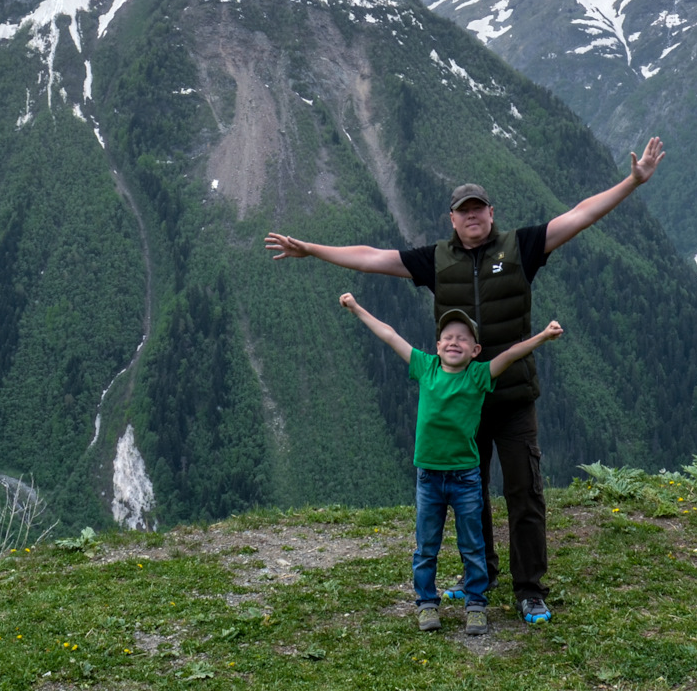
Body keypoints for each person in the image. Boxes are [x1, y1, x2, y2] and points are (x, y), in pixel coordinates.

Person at [266, 136, 664, 624]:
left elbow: (580, 214)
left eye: (479, 209)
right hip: (461, 405)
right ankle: (484, 577)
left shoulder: (521, 247)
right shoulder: (436, 260)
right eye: (463, 211)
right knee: (470, 498)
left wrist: (632, 181)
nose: (472, 216)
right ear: (452, 219)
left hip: (513, 397)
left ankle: (529, 589)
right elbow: (372, 255)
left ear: (491, 214)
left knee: (524, 493)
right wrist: (311, 249)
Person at [338, 290, 563, 635]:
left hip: (466, 477)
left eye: (463, 338)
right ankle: (426, 603)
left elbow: (511, 354)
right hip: (429, 478)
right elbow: (389, 334)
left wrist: (543, 337)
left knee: (473, 544)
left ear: (475, 351)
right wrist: (356, 309)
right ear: (437, 345)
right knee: (426, 545)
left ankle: (476, 603)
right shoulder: (424, 367)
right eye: (447, 337)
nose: (453, 342)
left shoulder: (478, 375)